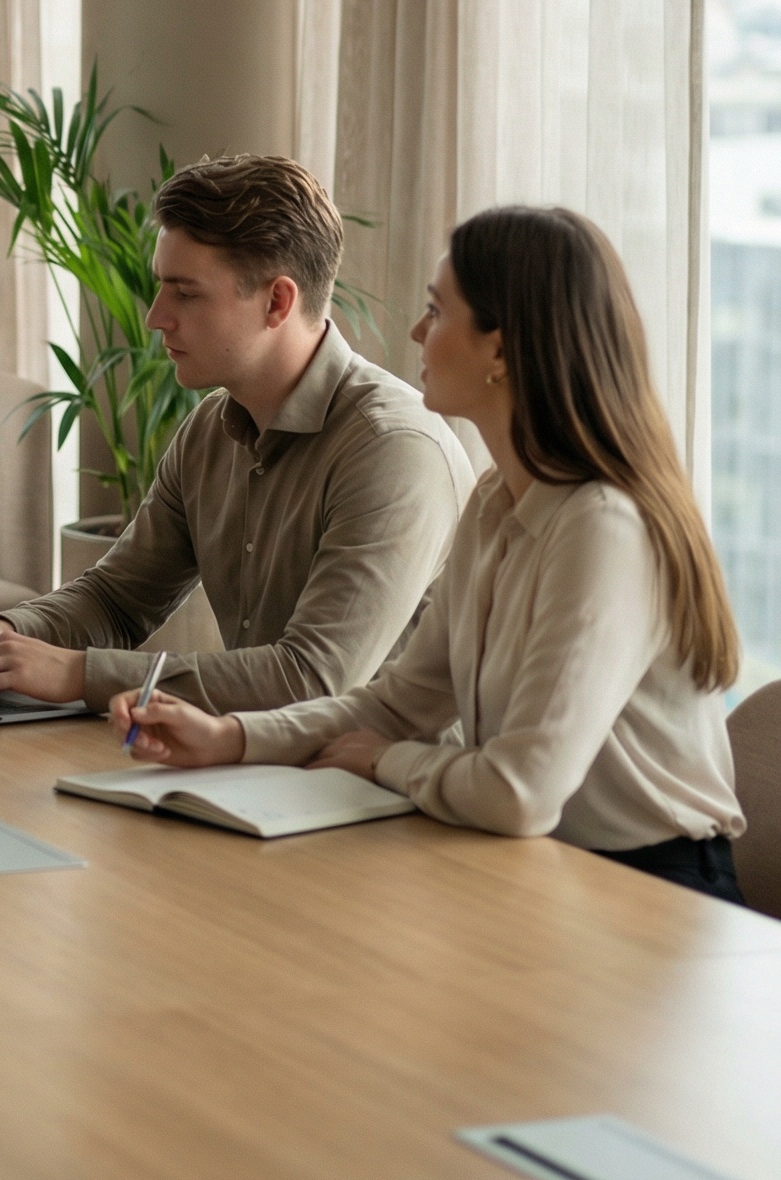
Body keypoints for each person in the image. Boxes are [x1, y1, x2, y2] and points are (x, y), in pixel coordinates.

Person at [111, 207, 747, 904]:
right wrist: (227, 737)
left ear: (500, 351)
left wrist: (387, 762)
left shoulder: (603, 528)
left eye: (437, 311)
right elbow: (398, 702)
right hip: (539, 869)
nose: (417, 332)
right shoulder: (494, 503)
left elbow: (519, 793)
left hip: (653, 892)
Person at [0, 154, 476, 714]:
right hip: (246, 754)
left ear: (277, 302)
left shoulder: (394, 449)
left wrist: (76, 673)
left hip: (379, 767)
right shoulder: (210, 430)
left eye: (185, 293)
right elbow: (116, 600)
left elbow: (311, 680)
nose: (155, 317)